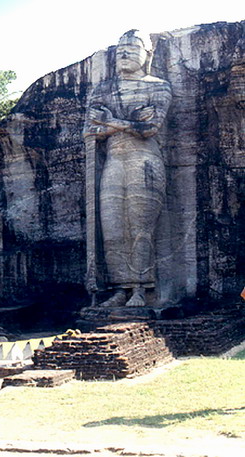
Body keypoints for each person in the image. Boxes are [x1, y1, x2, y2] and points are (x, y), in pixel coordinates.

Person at [84, 30, 172, 307]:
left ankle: (141, 289)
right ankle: (120, 288)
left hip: (144, 161)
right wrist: (120, 124)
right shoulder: (102, 89)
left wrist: (111, 122)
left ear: (147, 55)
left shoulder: (158, 86)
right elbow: (91, 130)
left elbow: (150, 129)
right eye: (120, 48)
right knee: (112, 228)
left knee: (140, 226)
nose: (124, 53)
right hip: (113, 161)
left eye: (132, 48)